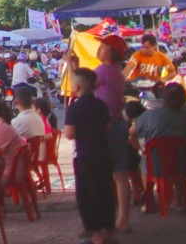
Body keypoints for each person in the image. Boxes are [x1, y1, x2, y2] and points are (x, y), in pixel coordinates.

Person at [65, 68, 117, 244]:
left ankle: (95, 235)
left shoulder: (75, 107)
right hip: (103, 153)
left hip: (85, 156)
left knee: (87, 195)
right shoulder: (100, 105)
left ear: (76, 86)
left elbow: (69, 133)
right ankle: (109, 230)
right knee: (105, 191)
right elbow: (108, 126)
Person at [131, 83, 186, 184]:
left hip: (153, 165)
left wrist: (139, 148)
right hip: (180, 166)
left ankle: (148, 195)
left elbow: (132, 133)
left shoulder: (149, 115)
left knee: (145, 160)